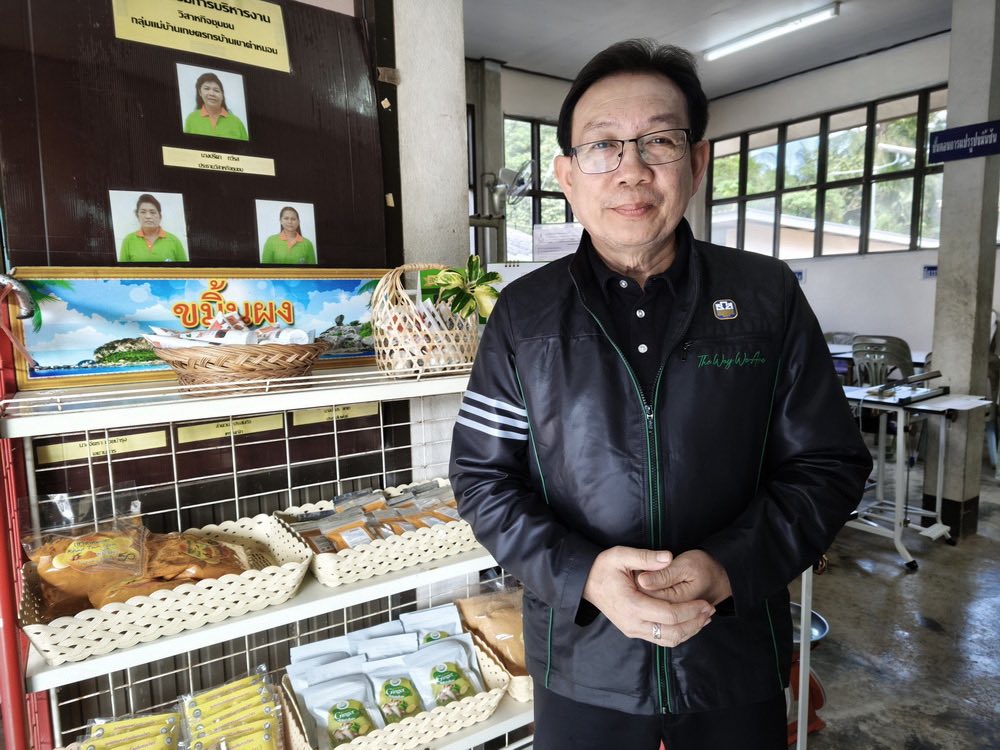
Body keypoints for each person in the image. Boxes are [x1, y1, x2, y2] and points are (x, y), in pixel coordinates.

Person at [449, 39, 872, 750]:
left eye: (659, 141)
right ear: (567, 175)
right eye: (602, 146)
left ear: (697, 162)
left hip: (733, 653)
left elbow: (829, 464)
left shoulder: (766, 297)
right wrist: (585, 576)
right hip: (581, 658)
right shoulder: (524, 315)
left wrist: (727, 568)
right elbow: (482, 478)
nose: (632, 169)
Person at [118, 194, 187, 262]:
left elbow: (185, 268)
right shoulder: (128, 240)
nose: (148, 216)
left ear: (160, 216)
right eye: (143, 212)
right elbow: (121, 269)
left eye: (152, 212)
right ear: (137, 216)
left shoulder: (174, 241)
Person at [183, 72, 249, 141]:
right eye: (207, 88)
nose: (212, 93)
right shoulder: (191, 119)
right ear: (200, 92)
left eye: (216, 90)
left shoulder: (236, 122)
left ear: (222, 95)